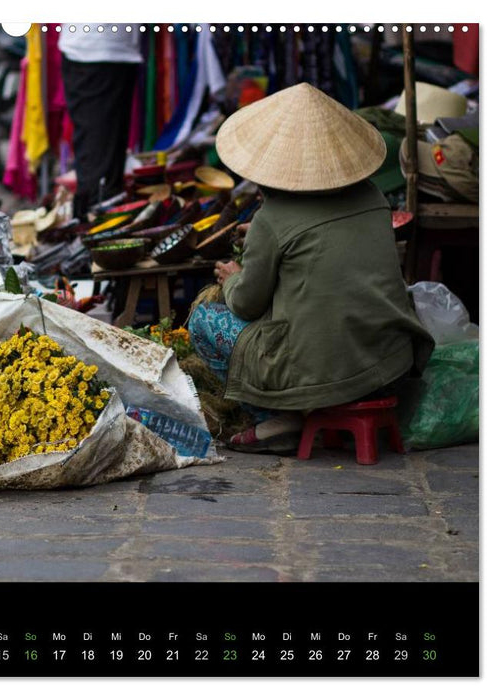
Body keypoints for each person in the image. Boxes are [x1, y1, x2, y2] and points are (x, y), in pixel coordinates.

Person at [189, 82, 435, 454]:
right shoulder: (373, 196)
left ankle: (273, 419)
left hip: (322, 373)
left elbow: (246, 305)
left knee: (205, 319)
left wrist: (233, 278)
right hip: (390, 360)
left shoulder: (271, 218)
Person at [59, 25, 142, 220]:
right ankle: (93, 227)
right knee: (98, 162)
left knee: (107, 158)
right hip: (95, 51)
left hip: (108, 50)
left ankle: (97, 223)